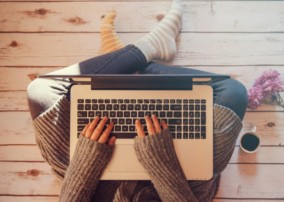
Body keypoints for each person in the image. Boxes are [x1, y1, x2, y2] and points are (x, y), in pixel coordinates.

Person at [27, 0, 247, 201]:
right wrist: (161, 163)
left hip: (94, 181)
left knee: (41, 90)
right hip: (178, 183)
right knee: (232, 92)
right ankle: (136, 55)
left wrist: (87, 162)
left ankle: (135, 54)